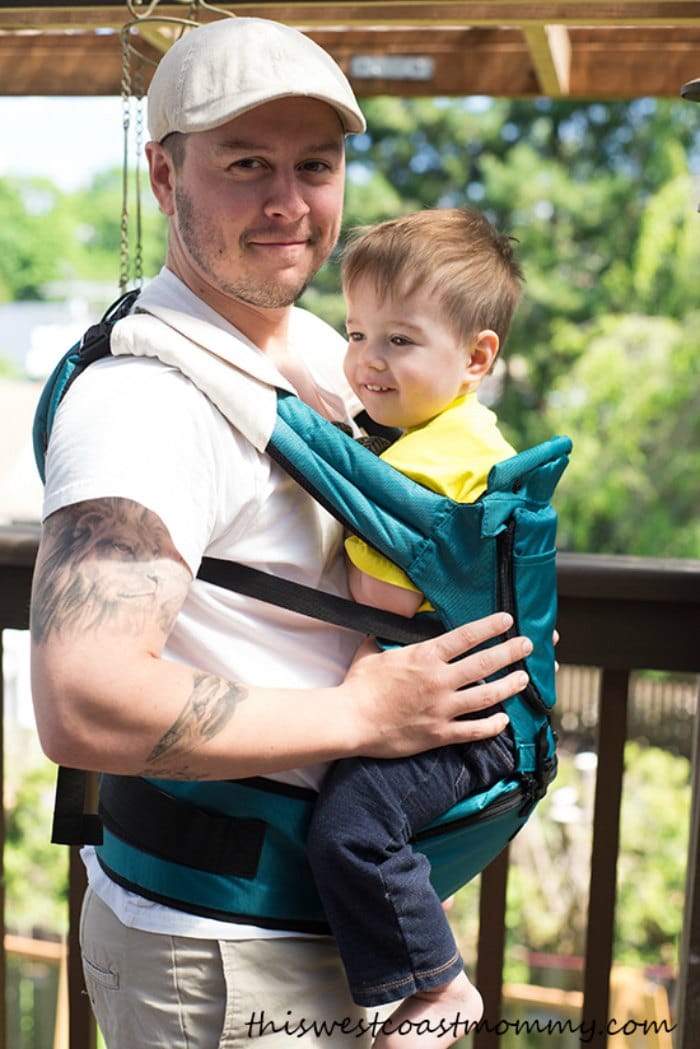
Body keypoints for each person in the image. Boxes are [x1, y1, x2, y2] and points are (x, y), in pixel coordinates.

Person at [29, 18, 534, 1049]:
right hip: (215, 948)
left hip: (323, 925)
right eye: (246, 164)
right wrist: (365, 715)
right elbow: (83, 697)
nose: (288, 203)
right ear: (164, 178)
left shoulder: (326, 350)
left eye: (316, 163)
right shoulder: (143, 405)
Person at [306, 207, 525, 1049]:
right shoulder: (443, 435)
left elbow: (383, 599)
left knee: (353, 827)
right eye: (358, 333)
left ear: (475, 358)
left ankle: (441, 989)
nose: (366, 360)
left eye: (400, 340)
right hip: (475, 702)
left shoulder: (434, 461)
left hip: (471, 716)